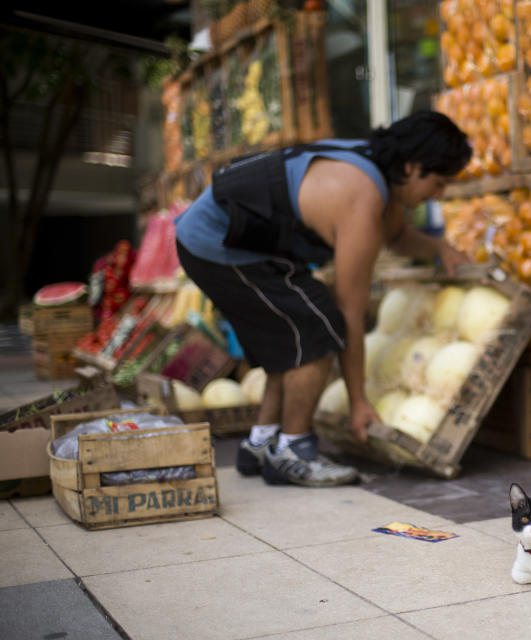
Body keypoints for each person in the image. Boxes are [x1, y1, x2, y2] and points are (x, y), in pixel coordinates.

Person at [174, 111, 472, 487]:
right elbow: (350, 311)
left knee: (292, 338)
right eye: (439, 182)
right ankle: (293, 452)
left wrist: (439, 248)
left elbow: (396, 235)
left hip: (225, 238)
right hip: (218, 241)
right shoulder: (361, 198)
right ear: (412, 167)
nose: (440, 195)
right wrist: (358, 401)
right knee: (319, 325)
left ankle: (262, 442)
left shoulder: (376, 168)